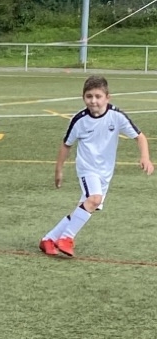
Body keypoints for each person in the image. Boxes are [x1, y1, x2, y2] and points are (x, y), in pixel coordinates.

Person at [39, 75, 153, 257]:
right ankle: (66, 238)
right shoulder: (79, 120)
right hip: (87, 168)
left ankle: (48, 239)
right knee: (94, 199)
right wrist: (59, 170)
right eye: (89, 96)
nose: (93, 101)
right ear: (83, 97)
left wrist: (145, 157)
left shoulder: (117, 116)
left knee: (85, 207)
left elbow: (140, 137)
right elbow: (66, 144)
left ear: (107, 97)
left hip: (105, 172)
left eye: (98, 96)